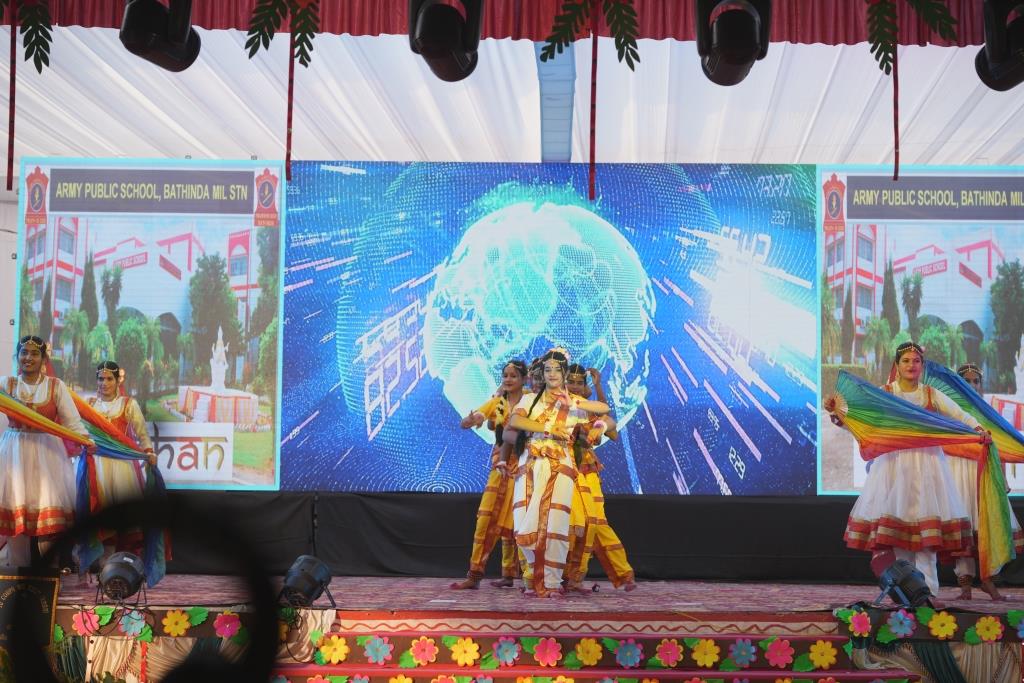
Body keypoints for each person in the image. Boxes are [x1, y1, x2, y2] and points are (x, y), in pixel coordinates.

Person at [831, 341, 985, 600]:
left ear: (922, 365)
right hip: (895, 468)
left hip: (928, 466)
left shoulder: (931, 394)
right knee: (898, 537)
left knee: (927, 541)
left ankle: (928, 595)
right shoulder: (885, 393)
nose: (911, 365)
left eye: (916, 361)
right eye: (906, 361)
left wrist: (978, 429)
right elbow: (863, 420)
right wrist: (840, 416)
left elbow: (959, 414)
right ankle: (907, 594)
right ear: (897, 365)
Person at [507, 349, 609, 597]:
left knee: (555, 523)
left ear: (564, 373)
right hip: (530, 463)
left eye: (557, 370)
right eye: (548, 369)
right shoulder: (530, 399)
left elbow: (603, 409)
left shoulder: (573, 402)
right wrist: (548, 428)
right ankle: (534, 576)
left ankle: (551, 582)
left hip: (561, 464)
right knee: (524, 522)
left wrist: (580, 407)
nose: (552, 374)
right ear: (542, 373)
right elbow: (515, 422)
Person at [0, 336, 94, 566]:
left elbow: (72, 421)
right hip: (14, 453)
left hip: (47, 454)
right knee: (16, 513)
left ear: (44, 359)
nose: (28, 358)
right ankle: (18, 573)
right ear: (17, 356)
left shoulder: (55, 386)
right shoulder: (7, 384)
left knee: (48, 521)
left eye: (34, 354)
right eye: (24, 352)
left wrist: (86, 440)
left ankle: (47, 575)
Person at [451, 360, 528, 590]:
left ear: (524, 379)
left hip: (527, 465)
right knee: (486, 518)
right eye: (505, 376)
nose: (508, 379)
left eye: (513, 376)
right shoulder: (498, 403)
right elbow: (470, 420)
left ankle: (520, 576)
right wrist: (471, 420)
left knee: (520, 521)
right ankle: (474, 574)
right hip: (501, 466)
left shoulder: (532, 401)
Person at [949, 362, 1022, 600]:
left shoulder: (987, 411)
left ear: (980, 385)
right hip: (958, 471)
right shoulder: (949, 408)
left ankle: (988, 580)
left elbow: (999, 445)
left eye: (975, 381)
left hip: (984, 471)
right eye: (966, 381)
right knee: (963, 527)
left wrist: (1002, 476)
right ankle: (965, 586)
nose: (971, 385)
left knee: (988, 524)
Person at [563, 365, 636, 592]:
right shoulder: (558, 407)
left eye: (579, 383)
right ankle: (566, 577)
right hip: (565, 470)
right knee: (575, 524)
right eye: (571, 382)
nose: (575, 386)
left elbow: (611, 431)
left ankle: (621, 573)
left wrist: (598, 386)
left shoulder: (590, 408)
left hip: (588, 470)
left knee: (596, 522)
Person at [87, 361, 157, 561]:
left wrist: (149, 452)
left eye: (109, 379)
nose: (104, 383)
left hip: (122, 468)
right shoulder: (90, 405)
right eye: (101, 378)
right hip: (97, 467)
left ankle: (118, 568)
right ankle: (102, 568)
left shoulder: (128, 404)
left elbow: (142, 434)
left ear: (118, 381)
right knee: (98, 518)